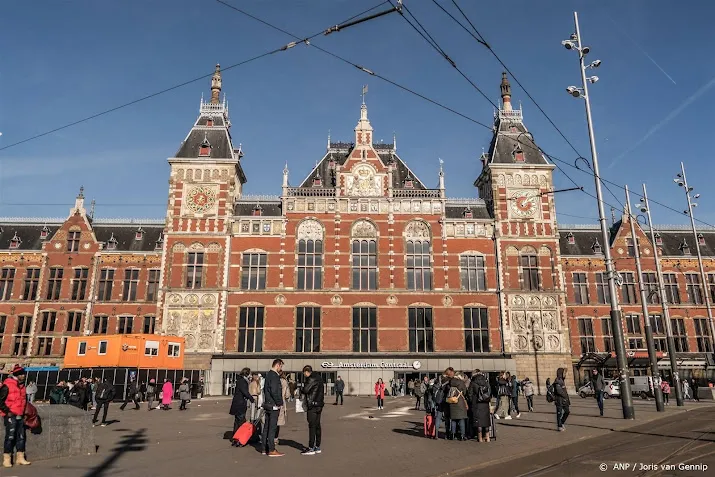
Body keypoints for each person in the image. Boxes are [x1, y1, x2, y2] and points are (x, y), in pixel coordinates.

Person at [0, 365, 30, 467]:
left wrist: (25, 413)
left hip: (20, 414)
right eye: (22, 374)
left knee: (21, 437)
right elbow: (0, 400)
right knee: (10, 436)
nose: (24, 376)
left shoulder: (22, 386)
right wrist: (7, 411)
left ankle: (20, 458)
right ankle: (7, 459)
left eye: (24, 374)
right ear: (17, 375)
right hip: (10, 415)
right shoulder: (7, 385)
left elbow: (24, 401)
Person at [261, 359, 285, 457]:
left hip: (268, 404)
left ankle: (264, 448)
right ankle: (271, 449)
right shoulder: (274, 376)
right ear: (278, 365)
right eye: (281, 366)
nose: (281, 368)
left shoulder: (268, 375)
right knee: (272, 428)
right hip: (273, 405)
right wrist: (279, 403)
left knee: (266, 427)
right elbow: (274, 391)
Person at [300, 365, 324, 456]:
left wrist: (301, 389)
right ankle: (317, 446)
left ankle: (311, 447)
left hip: (312, 405)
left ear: (306, 372)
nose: (304, 375)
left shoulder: (311, 378)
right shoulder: (319, 378)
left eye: (304, 373)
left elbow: (305, 390)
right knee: (317, 425)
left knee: (312, 426)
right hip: (319, 405)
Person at [229, 368, 254, 447]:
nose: (251, 375)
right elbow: (245, 392)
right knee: (241, 422)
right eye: (250, 373)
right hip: (240, 404)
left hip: (237, 404)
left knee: (237, 422)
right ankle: (240, 439)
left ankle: (235, 439)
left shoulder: (240, 380)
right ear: (247, 374)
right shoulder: (243, 381)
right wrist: (251, 398)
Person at [468, 369, 492, 442]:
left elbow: (470, 394)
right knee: (486, 421)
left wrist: (472, 400)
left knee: (478, 422)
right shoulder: (486, 381)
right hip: (485, 403)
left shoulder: (473, 382)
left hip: (477, 404)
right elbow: (489, 392)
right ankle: (487, 438)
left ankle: (480, 438)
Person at [448, 372, 468, 440]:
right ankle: (462, 435)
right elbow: (465, 392)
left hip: (452, 402)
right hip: (460, 403)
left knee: (453, 420)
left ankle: (453, 435)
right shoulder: (461, 383)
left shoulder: (450, 382)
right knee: (461, 420)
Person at [275, 372, 291, 446]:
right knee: (278, 422)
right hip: (281, 402)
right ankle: (276, 438)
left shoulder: (273, 379)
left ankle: (270, 437)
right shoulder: (284, 382)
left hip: (272, 402)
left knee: (271, 421)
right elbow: (287, 395)